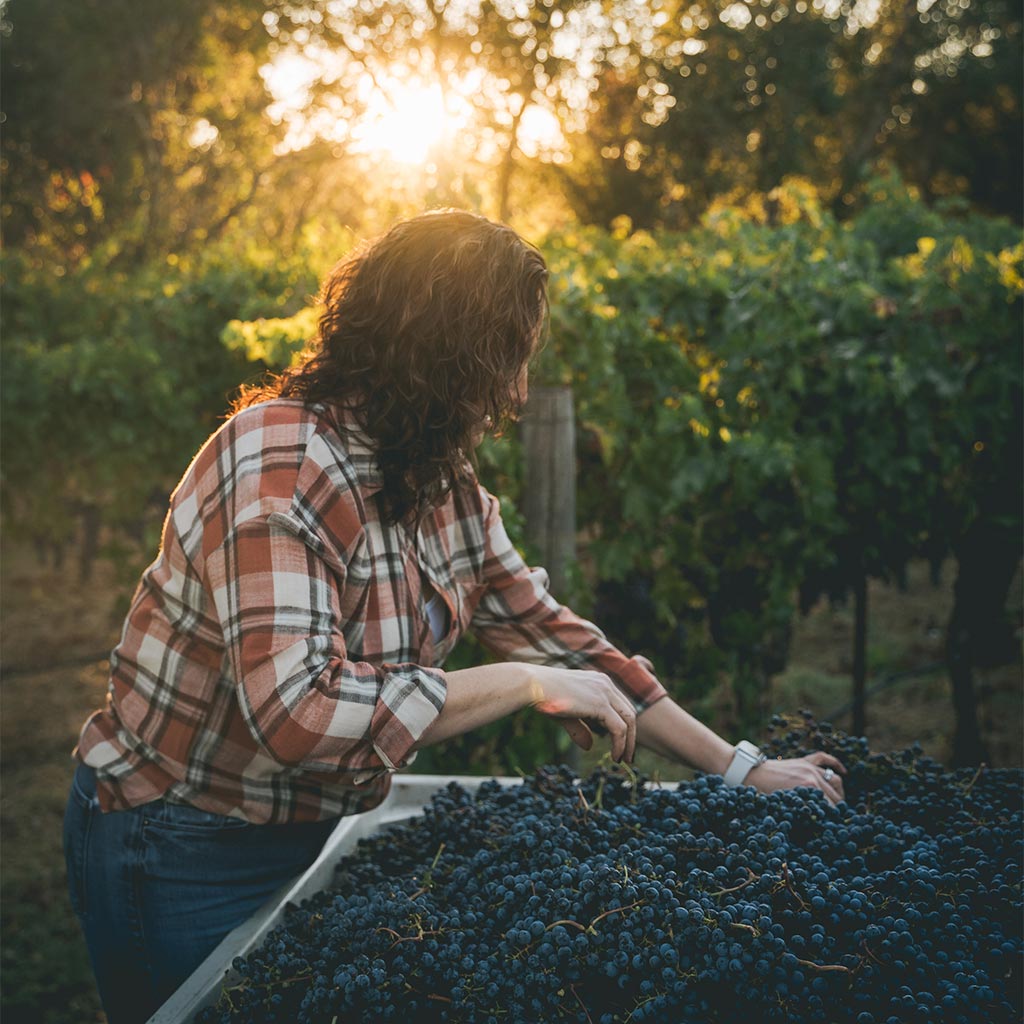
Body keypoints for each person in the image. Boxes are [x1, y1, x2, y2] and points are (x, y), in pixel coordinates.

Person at [63, 209, 845, 1023]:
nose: (517, 392)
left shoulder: (442, 485)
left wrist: (740, 769)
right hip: (178, 842)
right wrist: (522, 683)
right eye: (506, 360)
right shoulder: (282, 464)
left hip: (310, 826)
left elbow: (561, 639)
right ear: (437, 355)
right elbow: (297, 715)